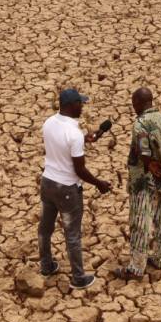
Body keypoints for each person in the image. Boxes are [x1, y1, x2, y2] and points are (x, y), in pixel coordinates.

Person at [38, 88, 112, 289]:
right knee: (72, 235)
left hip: (47, 183)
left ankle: (46, 265)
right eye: (80, 103)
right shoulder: (74, 134)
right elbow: (80, 170)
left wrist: (84, 140)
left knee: (45, 229)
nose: (83, 106)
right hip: (67, 191)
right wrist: (99, 184)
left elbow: (61, 146)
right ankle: (78, 278)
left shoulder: (49, 123)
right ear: (71, 106)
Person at [113, 87, 161, 280]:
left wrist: (149, 166)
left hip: (143, 179)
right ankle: (159, 257)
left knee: (140, 222)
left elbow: (143, 153)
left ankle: (136, 267)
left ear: (139, 103)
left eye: (134, 103)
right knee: (160, 218)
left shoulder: (141, 124)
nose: (133, 106)